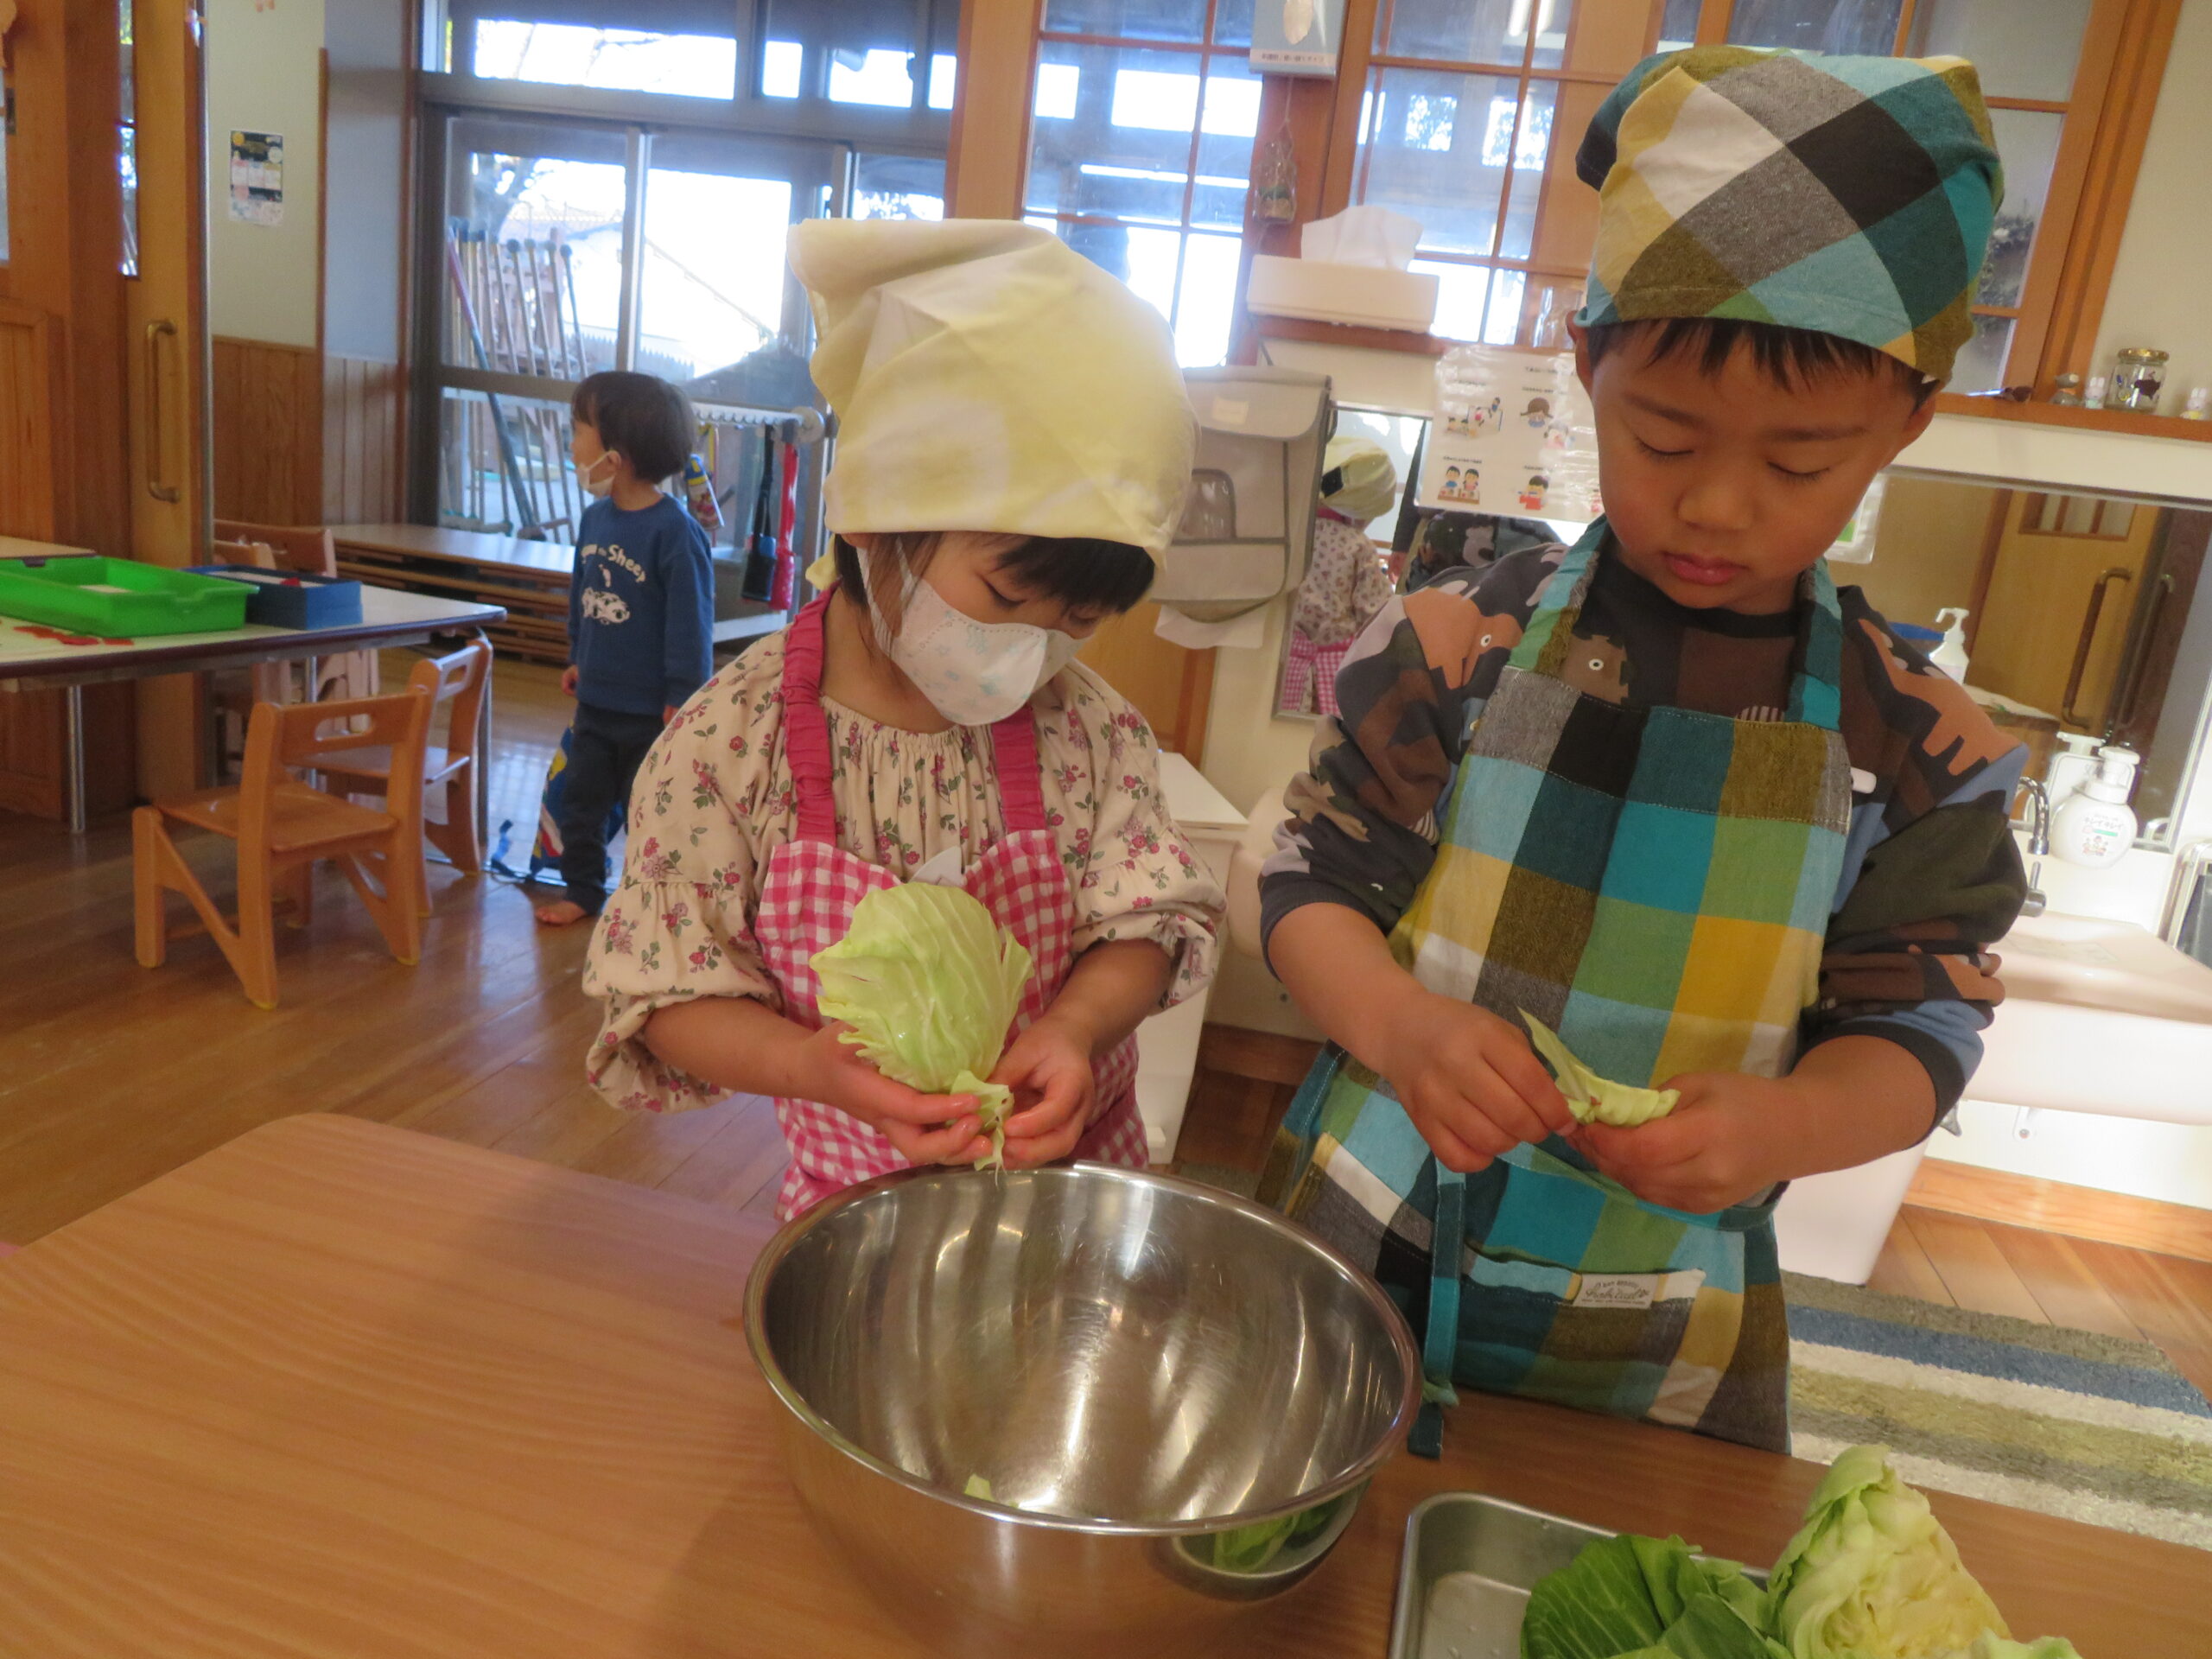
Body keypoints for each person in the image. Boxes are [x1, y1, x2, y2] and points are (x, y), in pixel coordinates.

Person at [1259, 47, 2026, 1456]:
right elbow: (1309, 882)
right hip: (1355, 1255)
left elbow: (1924, 1025)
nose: (1719, 505)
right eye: (1663, 435)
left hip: (1658, 1328)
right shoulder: (1449, 644)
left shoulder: (1920, 747)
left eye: (1801, 462)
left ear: (1911, 419)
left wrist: (1795, 1125)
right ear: (1589, 360)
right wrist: (1404, 1026)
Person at [581, 220, 1223, 1219]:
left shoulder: (1086, 730)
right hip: (857, 1215)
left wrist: (1077, 1028)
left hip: (1080, 1195)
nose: (1033, 652)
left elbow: (1145, 921)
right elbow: (668, 997)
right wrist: (814, 1067)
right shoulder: (727, 746)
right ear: (880, 513)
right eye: (1008, 603)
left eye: (1078, 624)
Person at [536, 372, 715, 928]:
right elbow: (582, 592)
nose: (571, 444)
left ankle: (648, 903)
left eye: (578, 430)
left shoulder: (674, 532)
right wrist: (576, 655)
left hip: (648, 714)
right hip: (595, 702)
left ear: (615, 455)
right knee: (581, 805)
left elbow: (691, 623)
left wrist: (681, 695)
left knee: (650, 814)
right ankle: (583, 890)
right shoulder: (595, 519)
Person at [1282, 436, 1397, 719]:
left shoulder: (1293, 536)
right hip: (1337, 669)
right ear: (1362, 509)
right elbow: (1378, 614)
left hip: (1288, 665)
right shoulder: (1357, 546)